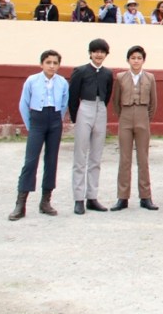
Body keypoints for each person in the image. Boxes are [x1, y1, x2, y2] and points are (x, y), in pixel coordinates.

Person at [9, 49, 70, 221]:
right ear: (41, 64)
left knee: (51, 160)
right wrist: (31, 125)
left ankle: (45, 201)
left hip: (54, 120)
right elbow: (23, 104)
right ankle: (20, 203)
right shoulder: (32, 80)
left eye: (55, 63)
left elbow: (64, 104)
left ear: (59, 65)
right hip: (37, 119)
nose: (51, 66)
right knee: (30, 161)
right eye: (48, 62)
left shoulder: (62, 82)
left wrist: (57, 120)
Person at [110, 45, 159, 211]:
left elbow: (153, 102)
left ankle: (146, 197)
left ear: (143, 60)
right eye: (133, 58)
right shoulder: (121, 77)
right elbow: (116, 101)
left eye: (139, 58)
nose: (136, 61)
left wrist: (146, 118)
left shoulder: (150, 77)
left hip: (143, 116)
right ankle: (122, 197)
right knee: (124, 158)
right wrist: (123, 115)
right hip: (125, 115)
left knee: (143, 158)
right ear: (128, 60)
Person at [68, 38, 114, 215]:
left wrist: (101, 109)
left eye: (102, 52)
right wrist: (75, 118)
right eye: (96, 51)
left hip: (100, 109)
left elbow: (107, 95)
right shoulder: (80, 71)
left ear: (106, 54)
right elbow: (73, 96)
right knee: (80, 156)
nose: (99, 54)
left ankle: (92, 197)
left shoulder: (107, 73)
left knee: (96, 156)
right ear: (90, 53)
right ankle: (78, 198)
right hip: (85, 108)